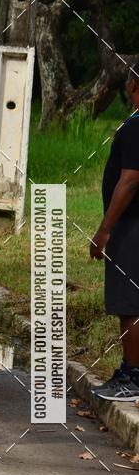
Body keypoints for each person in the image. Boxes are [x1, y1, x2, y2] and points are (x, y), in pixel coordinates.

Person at [91, 62, 139, 401]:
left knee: (129, 304)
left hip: (131, 227)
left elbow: (130, 178)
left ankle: (133, 376)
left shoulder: (136, 126)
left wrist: (104, 231)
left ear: (134, 84)